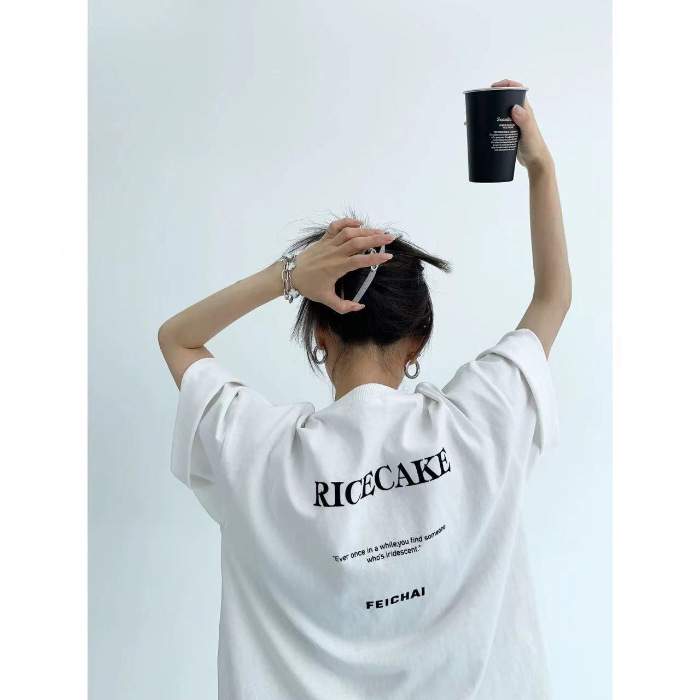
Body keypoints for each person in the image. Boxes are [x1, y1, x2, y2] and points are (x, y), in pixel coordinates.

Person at [158, 78, 571, 699]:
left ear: (318, 335)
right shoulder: (481, 422)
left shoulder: (259, 451)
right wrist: (539, 166)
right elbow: (553, 297)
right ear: (418, 341)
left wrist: (287, 276)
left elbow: (178, 340)